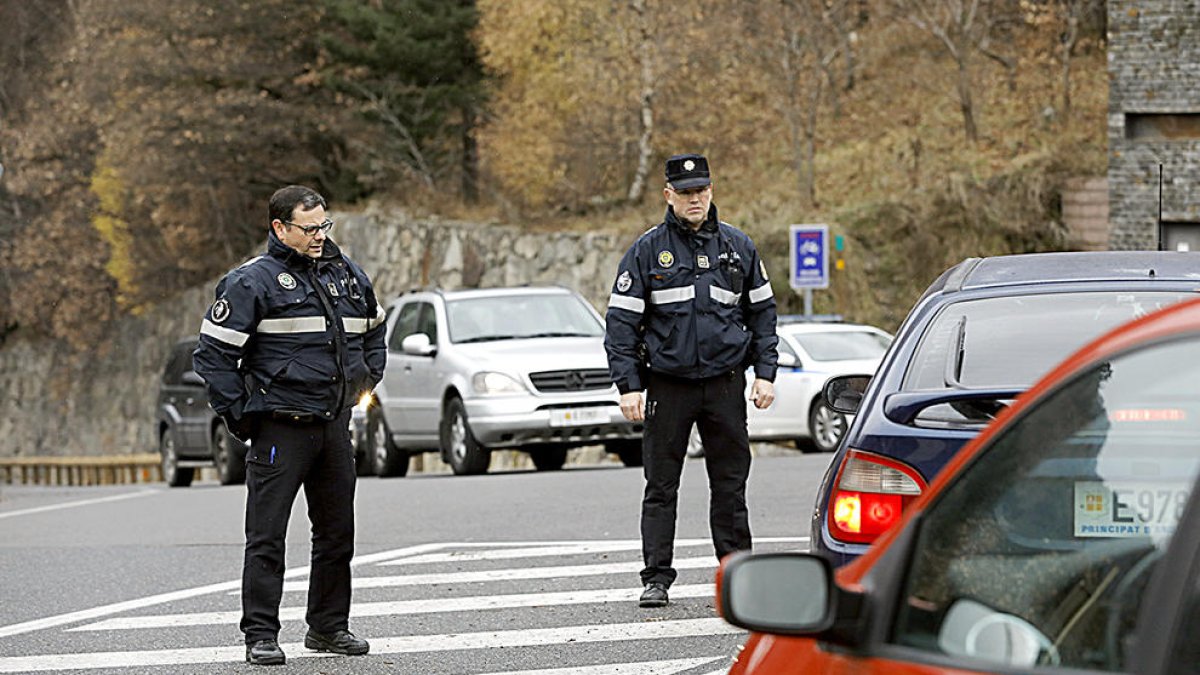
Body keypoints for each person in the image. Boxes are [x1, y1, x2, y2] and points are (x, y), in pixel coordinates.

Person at [193, 185, 387, 665]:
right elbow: (213, 357)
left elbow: (375, 329)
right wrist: (244, 418)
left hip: (334, 425)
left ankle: (328, 627)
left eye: (324, 225)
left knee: (337, 534)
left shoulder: (346, 275)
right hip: (280, 428)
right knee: (267, 536)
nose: (319, 235)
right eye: (309, 228)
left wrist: (363, 382)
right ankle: (260, 634)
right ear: (280, 227)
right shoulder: (250, 282)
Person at [604, 154, 778, 608]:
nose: (694, 199)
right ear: (669, 196)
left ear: (711, 190)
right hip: (668, 385)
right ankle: (656, 578)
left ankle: (738, 575)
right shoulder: (647, 251)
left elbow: (763, 314)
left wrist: (766, 374)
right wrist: (628, 385)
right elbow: (621, 325)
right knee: (661, 486)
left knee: (730, 485)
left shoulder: (738, 247)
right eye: (685, 192)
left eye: (700, 190)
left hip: (725, 383)